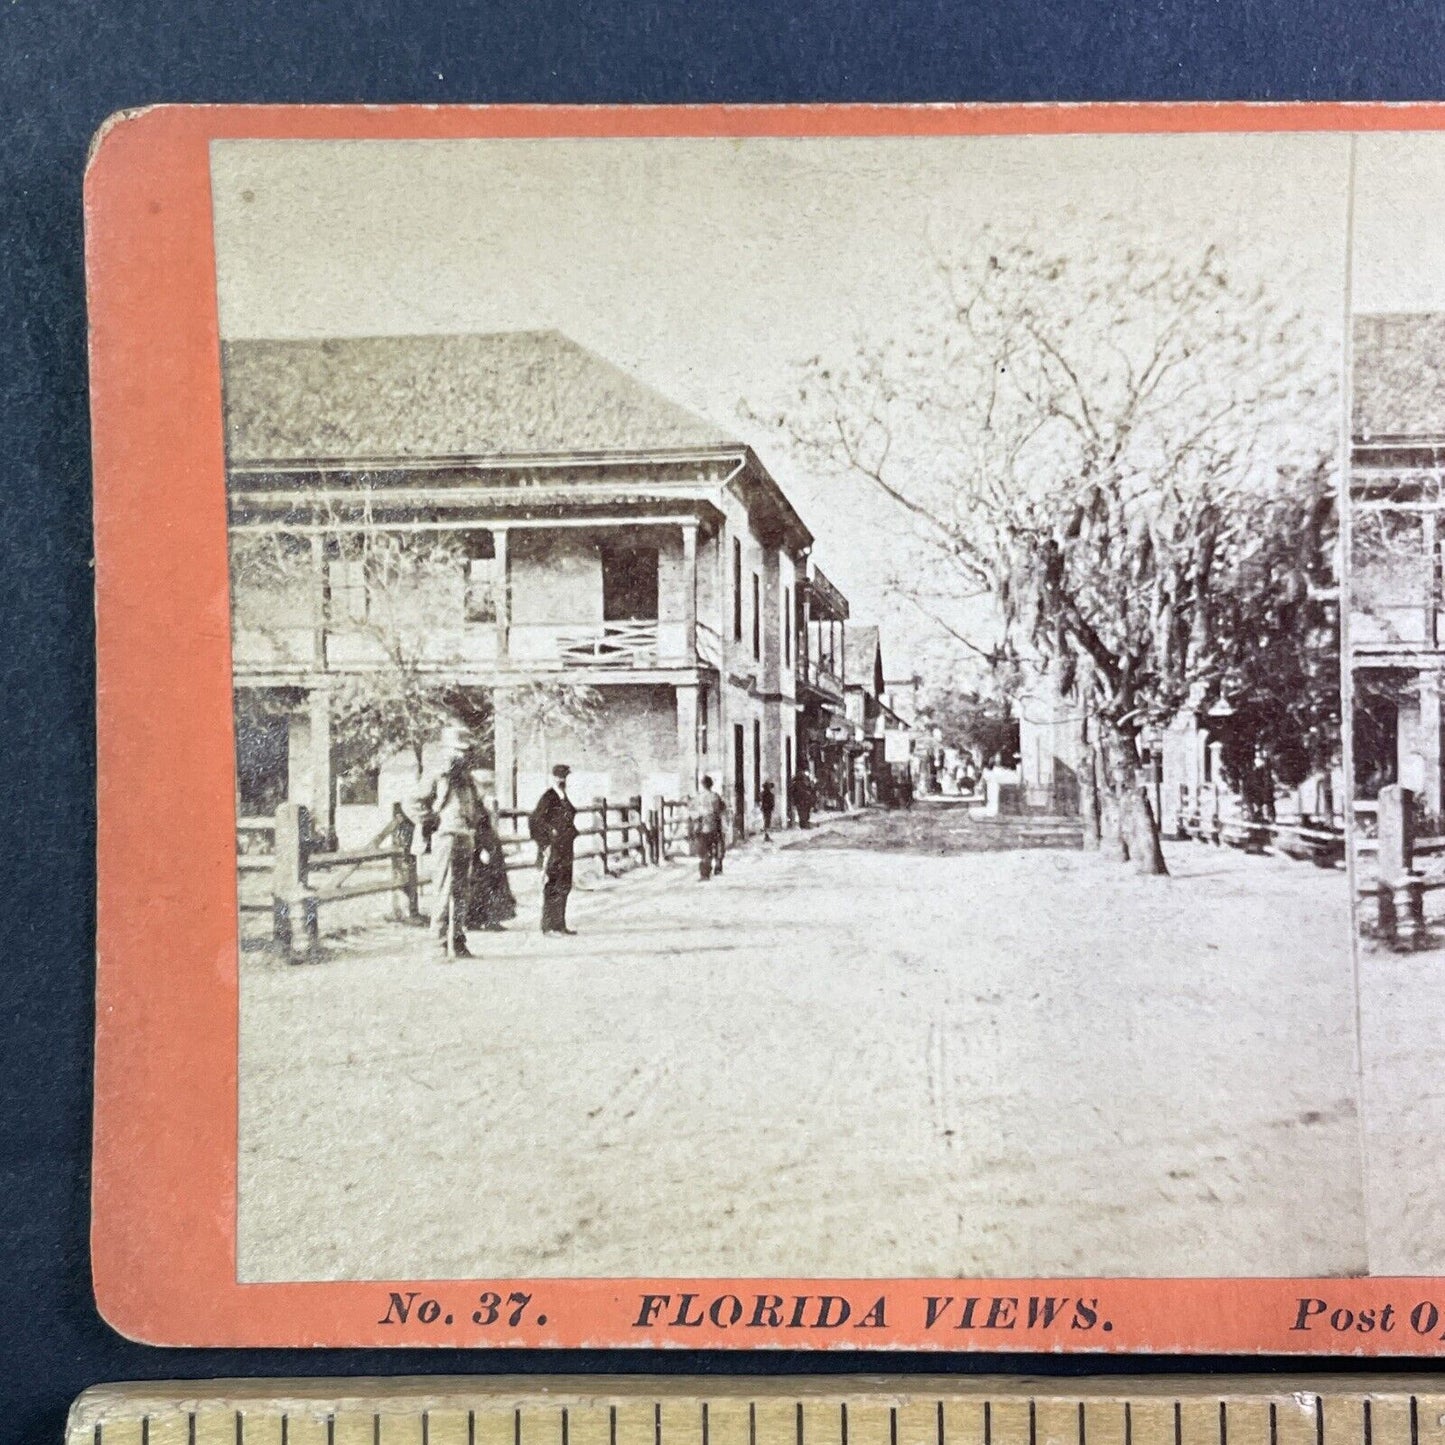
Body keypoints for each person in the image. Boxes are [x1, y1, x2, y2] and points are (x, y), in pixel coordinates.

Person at [412, 724, 487, 957]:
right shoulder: (437, 774)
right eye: (459, 751)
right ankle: (438, 945)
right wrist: (431, 821)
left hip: (465, 836)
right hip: (446, 837)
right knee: (443, 891)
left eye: (466, 751)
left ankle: (458, 941)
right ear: (448, 750)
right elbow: (414, 802)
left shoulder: (468, 779)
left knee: (462, 892)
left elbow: (477, 807)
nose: (463, 756)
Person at [529, 763, 579, 935]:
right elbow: (535, 821)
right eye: (559, 777)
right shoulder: (548, 797)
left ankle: (560, 924)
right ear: (554, 777)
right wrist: (545, 842)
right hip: (554, 849)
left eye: (564, 777)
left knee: (564, 884)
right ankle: (548, 926)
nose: (562, 780)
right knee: (553, 884)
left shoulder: (563, 796)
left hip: (566, 848)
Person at [466, 793, 516, 931]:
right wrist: (481, 849)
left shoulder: (481, 806)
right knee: (484, 886)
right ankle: (483, 920)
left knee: (490, 885)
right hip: (484, 852)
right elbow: (476, 830)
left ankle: (483, 920)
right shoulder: (474, 809)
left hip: (491, 850)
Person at [690, 775, 727, 880]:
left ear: (702, 784)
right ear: (711, 784)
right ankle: (718, 866)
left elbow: (693, 811)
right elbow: (722, 808)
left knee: (704, 850)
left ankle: (704, 873)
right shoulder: (715, 796)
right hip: (714, 825)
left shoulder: (698, 797)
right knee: (717, 845)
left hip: (702, 826)